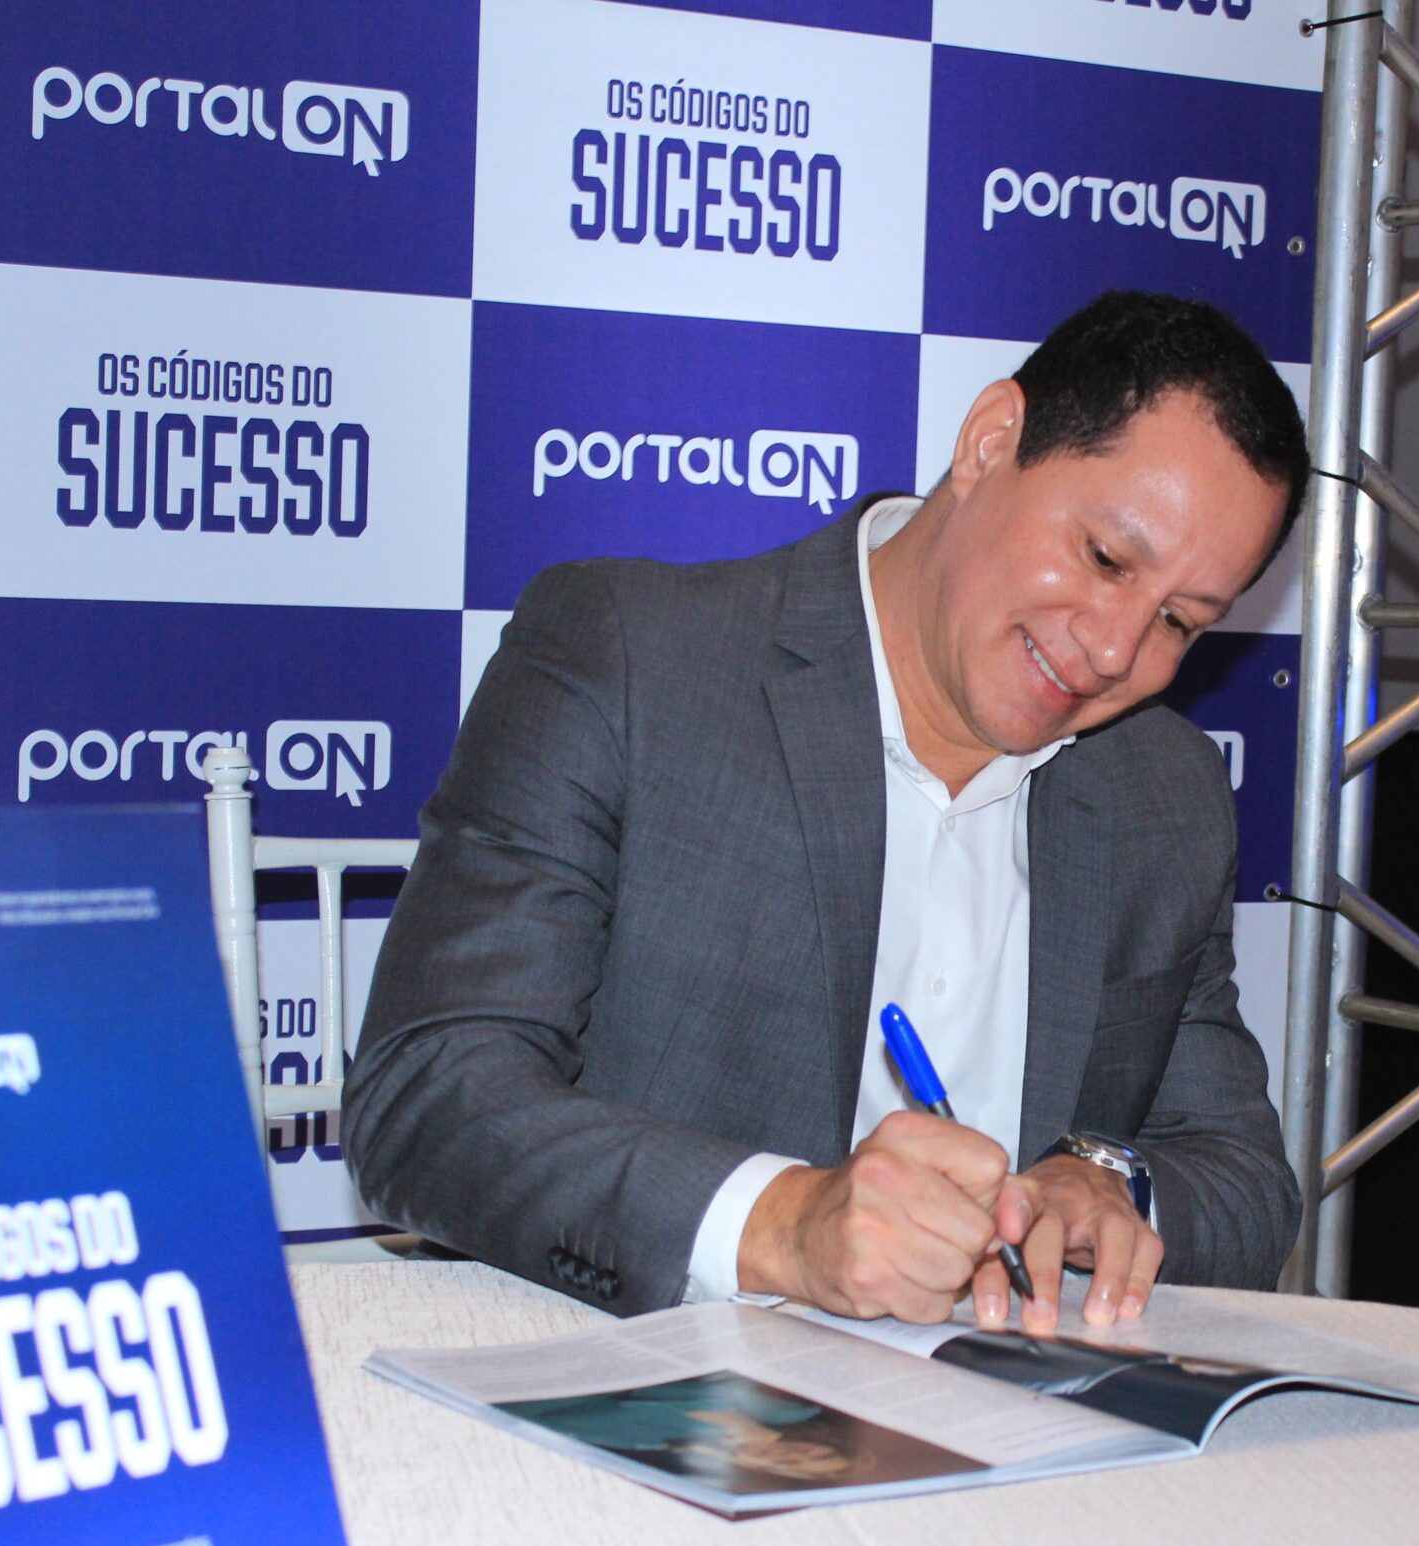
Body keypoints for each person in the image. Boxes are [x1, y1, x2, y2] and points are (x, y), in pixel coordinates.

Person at [343, 290, 1308, 1332]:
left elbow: (1245, 1178)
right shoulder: (630, 661)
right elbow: (428, 1094)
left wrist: (1107, 1183)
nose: (1116, 649)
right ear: (989, 441)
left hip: (1007, 1414)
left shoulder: (1166, 794)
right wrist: (785, 1226)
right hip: (645, 1387)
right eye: (1106, 559)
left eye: (1179, 621)